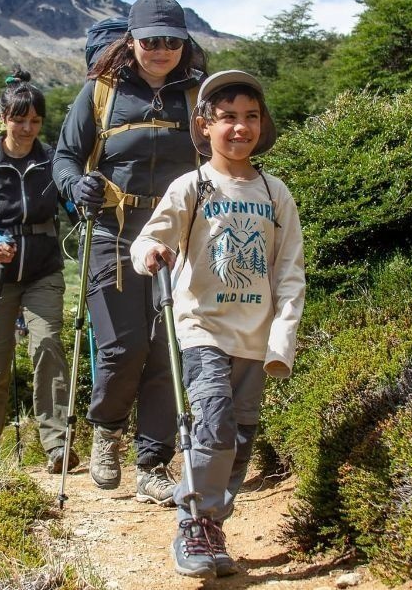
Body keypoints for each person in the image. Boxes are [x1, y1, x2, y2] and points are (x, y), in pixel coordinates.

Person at [129, 70, 305, 578]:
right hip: (201, 327)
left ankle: (212, 522)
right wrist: (151, 252)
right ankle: (194, 522)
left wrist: (282, 339)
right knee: (211, 421)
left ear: (262, 125)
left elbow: (290, 271)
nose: (240, 128)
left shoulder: (276, 193)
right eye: (228, 117)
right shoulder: (194, 185)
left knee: (240, 435)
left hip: (255, 335)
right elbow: (150, 236)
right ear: (204, 125)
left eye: (250, 117)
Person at [53, 0, 206, 504]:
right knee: (123, 347)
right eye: (150, 41)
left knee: (167, 347)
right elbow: (66, 157)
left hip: (179, 235)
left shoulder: (197, 95)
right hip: (113, 232)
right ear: (132, 41)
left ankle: (153, 462)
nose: (161, 50)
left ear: (184, 43)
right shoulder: (100, 92)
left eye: (171, 41)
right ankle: (107, 429)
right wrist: (77, 189)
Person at [0, 67, 75, 471]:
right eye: (19, 120)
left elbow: (72, 203)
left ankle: (57, 446)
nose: (27, 128)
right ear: (3, 119)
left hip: (43, 271)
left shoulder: (53, 161)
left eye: (35, 121)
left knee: (48, 347)